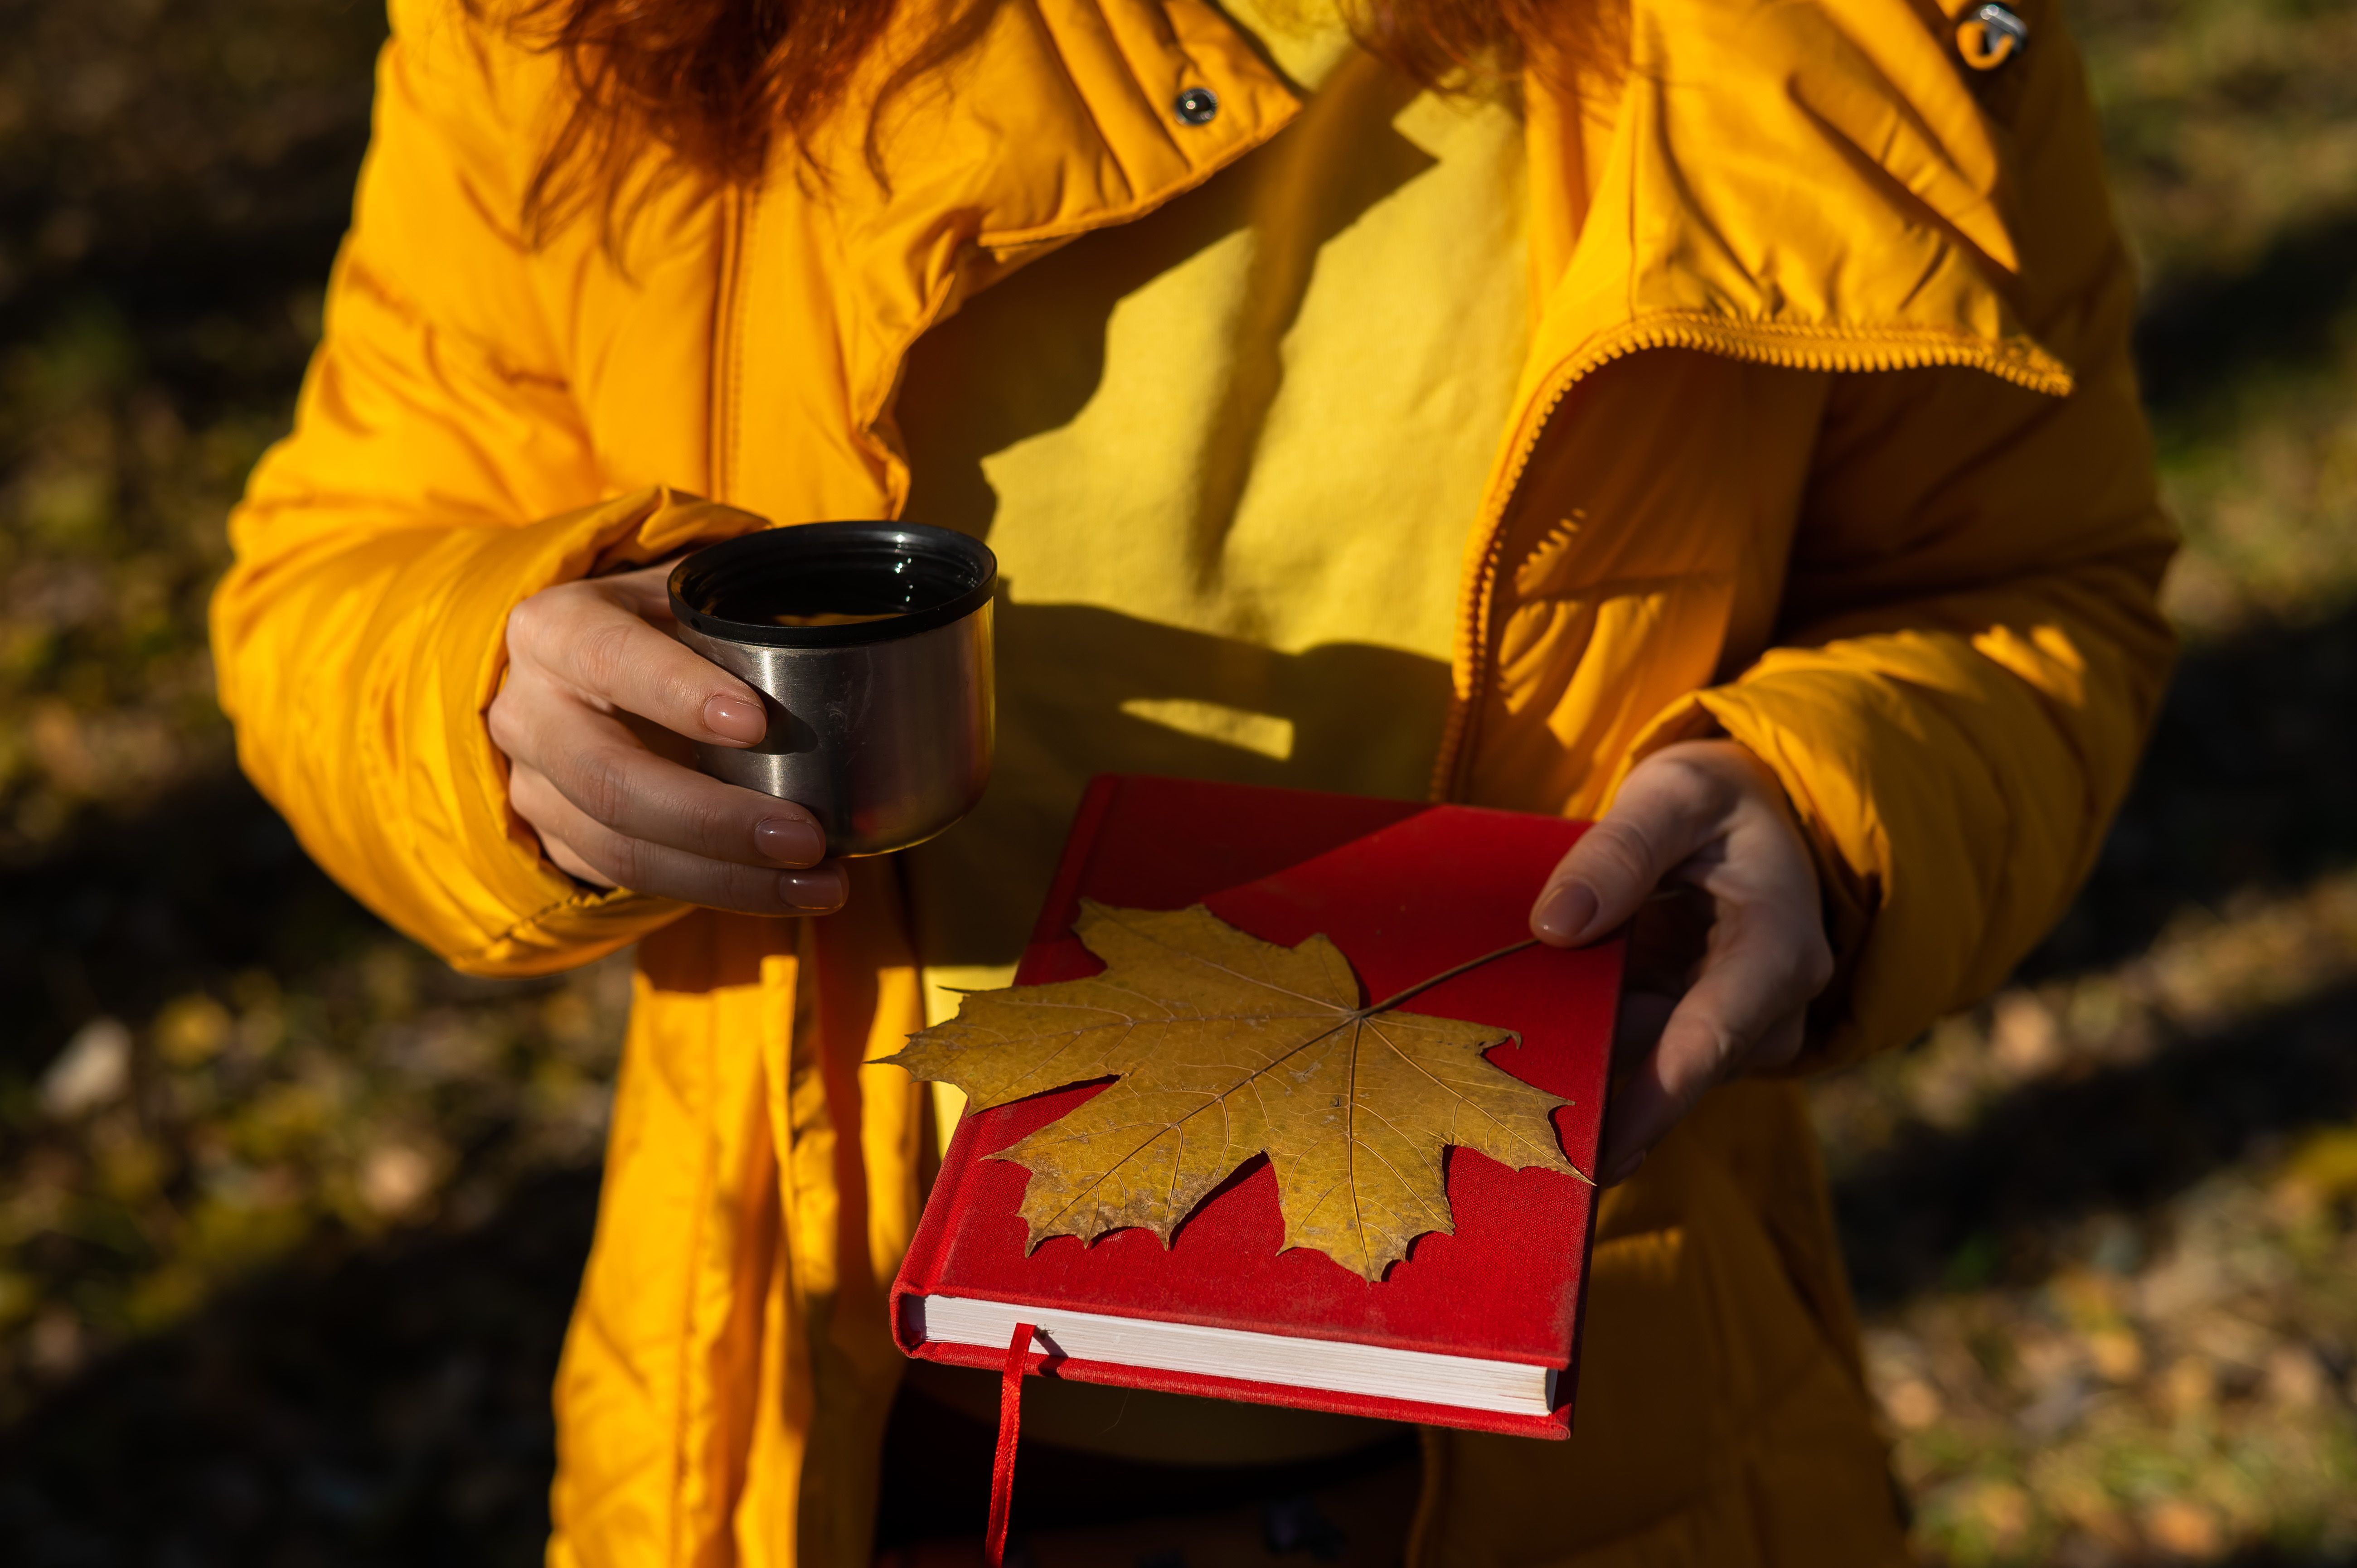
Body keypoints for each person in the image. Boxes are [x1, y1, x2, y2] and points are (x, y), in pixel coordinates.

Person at [210, 0, 2175, 1560]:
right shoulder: (578, 25)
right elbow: (348, 557)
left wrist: (1830, 817)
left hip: (1603, 1429)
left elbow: (2021, 582)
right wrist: (492, 697)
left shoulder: (1849, 31)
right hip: (816, 1423)